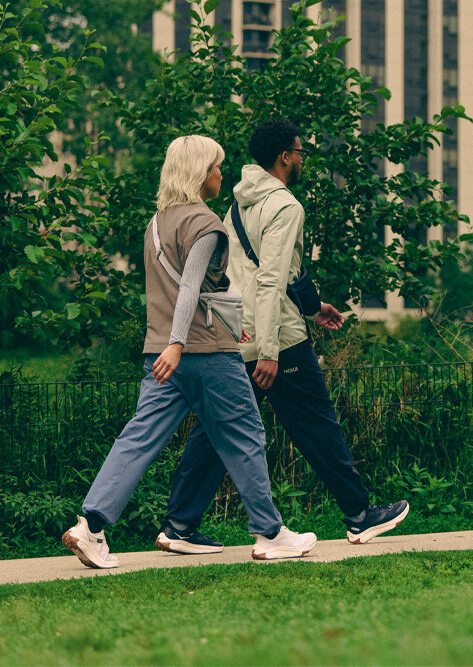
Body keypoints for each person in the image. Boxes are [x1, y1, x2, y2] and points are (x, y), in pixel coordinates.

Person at [62, 134, 317, 567]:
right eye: (216, 166)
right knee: (246, 435)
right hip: (201, 353)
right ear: (202, 173)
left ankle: (91, 527)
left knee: (138, 439)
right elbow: (189, 288)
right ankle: (270, 534)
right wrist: (181, 343)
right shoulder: (205, 224)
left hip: (161, 354)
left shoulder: (157, 223)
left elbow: (181, 292)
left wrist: (181, 341)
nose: (221, 173)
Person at [156, 120, 408, 556]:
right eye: (299, 150)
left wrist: (314, 306)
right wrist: (271, 350)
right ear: (284, 157)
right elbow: (271, 279)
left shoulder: (235, 205)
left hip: (237, 333)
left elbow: (270, 271)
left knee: (218, 428)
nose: (302, 157)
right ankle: (359, 515)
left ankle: (178, 524)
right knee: (317, 426)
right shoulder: (285, 206)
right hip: (278, 340)